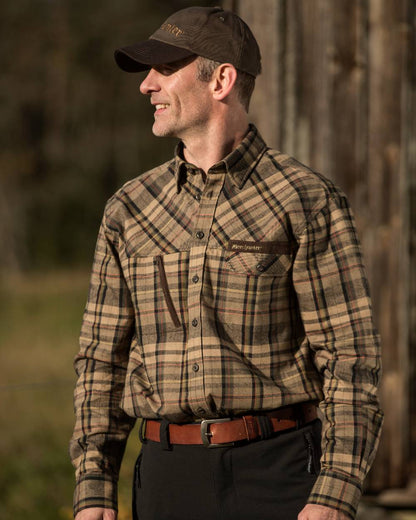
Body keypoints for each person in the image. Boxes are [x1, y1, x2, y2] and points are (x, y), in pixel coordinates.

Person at [70, 6, 383, 520]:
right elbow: (101, 363)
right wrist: (93, 487)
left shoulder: (305, 199)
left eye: (164, 69)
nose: (146, 86)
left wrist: (335, 494)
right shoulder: (128, 209)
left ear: (221, 79)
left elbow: (351, 360)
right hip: (165, 481)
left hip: (281, 478)